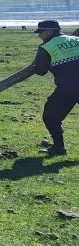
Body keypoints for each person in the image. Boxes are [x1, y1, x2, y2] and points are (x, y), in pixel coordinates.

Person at [32, 20, 79, 156]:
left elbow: (40, 71)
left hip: (68, 88)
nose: (39, 36)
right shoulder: (76, 39)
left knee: (51, 116)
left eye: (41, 32)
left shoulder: (46, 47)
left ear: (49, 31)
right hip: (70, 86)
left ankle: (59, 147)